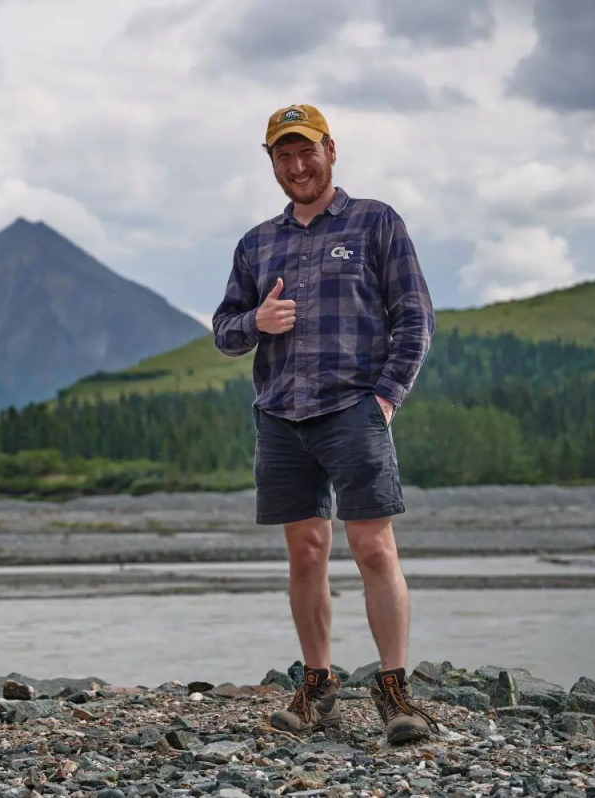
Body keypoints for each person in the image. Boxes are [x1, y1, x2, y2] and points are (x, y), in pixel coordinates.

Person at [211, 103, 440, 745]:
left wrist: (386, 398)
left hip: (354, 408)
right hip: (281, 415)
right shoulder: (256, 243)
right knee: (306, 553)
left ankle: (395, 692)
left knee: (373, 548)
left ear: (330, 150)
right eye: (283, 155)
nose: (297, 165)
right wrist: (255, 323)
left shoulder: (376, 221)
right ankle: (318, 686)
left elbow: (415, 317)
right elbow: (224, 331)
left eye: (306, 150)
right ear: (272, 163)